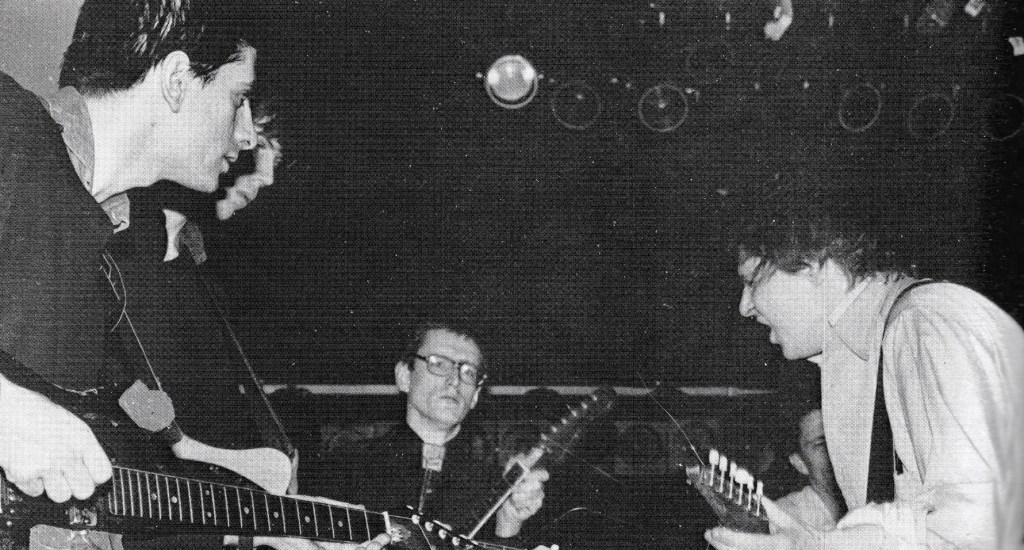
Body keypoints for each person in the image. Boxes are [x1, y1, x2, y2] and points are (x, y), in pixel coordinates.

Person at [0, 0, 388, 549]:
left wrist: (275, 531)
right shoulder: (10, 124)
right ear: (178, 80)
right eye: (238, 98)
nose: (247, 134)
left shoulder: (99, 263)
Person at [704, 214, 1023, 549]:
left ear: (813, 266)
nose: (744, 307)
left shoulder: (926, 324)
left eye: (752, 281)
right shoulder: (862, 353)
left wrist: (811, 547)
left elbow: (983, 528)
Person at [313, 322, 553, 546]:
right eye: (438, 363)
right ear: (405, 377)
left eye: (468, 371)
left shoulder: (498, 488)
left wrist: (508, 523)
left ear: (475, 396)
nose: (454, 380)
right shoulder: (342, 468)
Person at [774, 408, 846, 531]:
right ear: (800, 463)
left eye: (839, 438)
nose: (834, 451)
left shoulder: (873, 507)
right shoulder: (784, 516)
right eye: (821, 444)